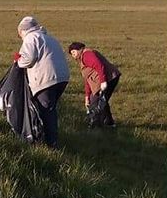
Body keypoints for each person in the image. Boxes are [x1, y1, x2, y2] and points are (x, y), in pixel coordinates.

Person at [15, 16, 70, 147]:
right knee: (50, 109)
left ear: (23, 31)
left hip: (46, 79)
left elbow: (28, 59)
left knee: (46, 110)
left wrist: (18, 61)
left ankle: (50, 143)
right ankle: (48, 138)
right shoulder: (49, 38)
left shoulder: (31, 38)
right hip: (62, 78)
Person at [68, 42, 121, 127]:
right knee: (102, 101)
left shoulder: (87, 54)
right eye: (71, 54)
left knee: (96, 102)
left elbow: (99, 66)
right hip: (104, 80)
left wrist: (103, 81)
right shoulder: (82, 59)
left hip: (110, 78)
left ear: (79, 49)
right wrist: (87, 96)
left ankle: (95, 124)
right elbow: (87, 79)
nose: (73, 55)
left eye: (73, 52)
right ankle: (109, 123)